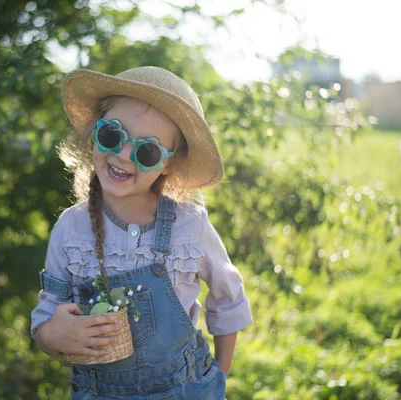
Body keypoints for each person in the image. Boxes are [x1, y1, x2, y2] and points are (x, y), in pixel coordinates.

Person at [30, 66, 253, 399]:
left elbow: (228, 301)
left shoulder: (190, 226)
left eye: (146, 151)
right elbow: (46, 321)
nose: (122, 154)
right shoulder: (70, 229)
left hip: (185, 390)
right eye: (112, 136)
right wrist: (52, 335)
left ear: (168, 164)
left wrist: (217, 379)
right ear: (94, 133)